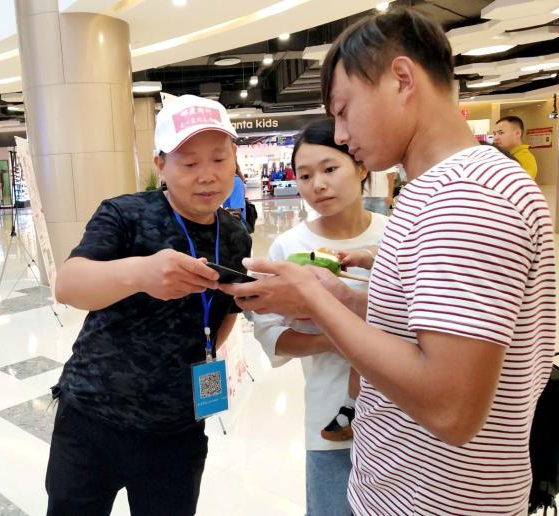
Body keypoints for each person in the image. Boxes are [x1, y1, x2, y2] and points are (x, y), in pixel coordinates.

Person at [221, 7, 555, 515]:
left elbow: (450, 407)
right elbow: (420, 333)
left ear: (401, 78)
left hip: (437, 501)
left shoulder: (467, 196)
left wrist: (314, 298)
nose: (340, 133)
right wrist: (340, 296)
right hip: (404, 488)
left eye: (343, 109)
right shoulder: (434, 190)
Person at [45, 94, 252, 516]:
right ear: (161, 164)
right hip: (92, 415)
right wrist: (141, 274)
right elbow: (68, 285)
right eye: (189, 163)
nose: (207, 176)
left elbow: (227, 312)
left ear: (234, 159)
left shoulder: (235, 235)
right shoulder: (125, 214)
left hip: (178, 429)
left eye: (219, 159)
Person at [253, 118, 387, 516]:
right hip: (329, 419)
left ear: (361, 166)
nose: (318, 185)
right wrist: (338, 337)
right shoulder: (289, 246)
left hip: (404, 422)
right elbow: (272, 336)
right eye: (305, 175)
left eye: (330, 168)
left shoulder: (398, 235)